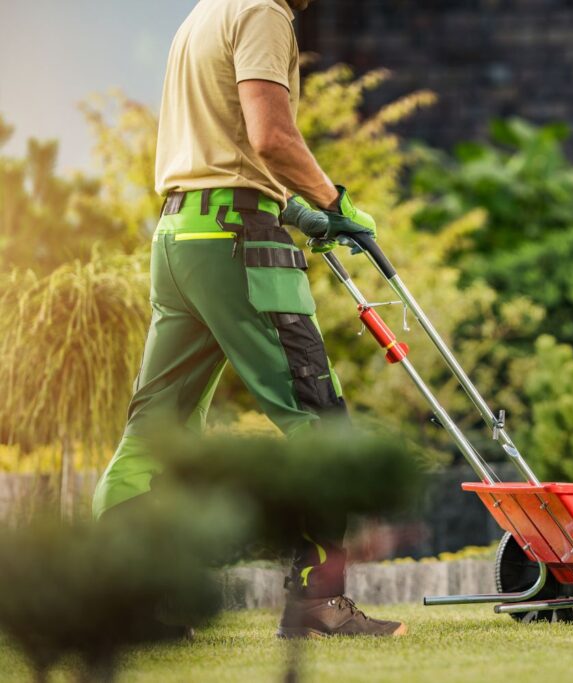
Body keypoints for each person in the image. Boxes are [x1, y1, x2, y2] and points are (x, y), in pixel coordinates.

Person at [92, 0, 406, 638]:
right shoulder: (264, 11)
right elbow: (270, 136)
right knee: (320, 419)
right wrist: (333, 200)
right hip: (238, 242)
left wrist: (292, 207)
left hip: (180, 237)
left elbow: (226, 145)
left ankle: (117, 597)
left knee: (156, 430)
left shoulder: (203, 14)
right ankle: (318, 603)